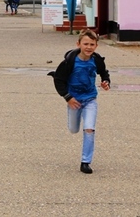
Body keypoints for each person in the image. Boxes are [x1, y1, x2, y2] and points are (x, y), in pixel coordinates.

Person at [48, 29, 111, 174]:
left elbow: (104, 73)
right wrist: (68, 97)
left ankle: (85, 162)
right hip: (74, 100)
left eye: (92, 44)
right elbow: (59, 80)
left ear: (96, 46)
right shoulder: (69, 61)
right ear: (79, 44)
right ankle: (74, 121)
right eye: (86, 44)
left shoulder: (97, 60)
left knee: (89, 129)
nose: (88, 47)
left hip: (90, 99)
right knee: (73, 129)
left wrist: (106, 82)